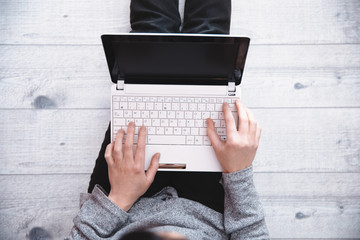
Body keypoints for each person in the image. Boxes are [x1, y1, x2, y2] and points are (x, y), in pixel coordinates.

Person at [67, 0, 269, 239]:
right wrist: (238, 172)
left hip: (122, 206)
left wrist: (119, 198)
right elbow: (252, 232)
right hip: (209, 211)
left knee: (149, 41)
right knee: (211, 45)